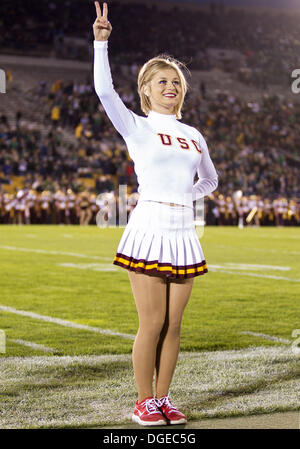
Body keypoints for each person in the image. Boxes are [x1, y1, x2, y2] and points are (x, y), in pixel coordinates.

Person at [93, 2, 218, 427]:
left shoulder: (193, 134)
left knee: (174, 326)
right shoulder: (137, 125)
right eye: (162, 81)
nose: (171, 86)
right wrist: (100, 44)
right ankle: (143, 401)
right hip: (148, 228)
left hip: (184, 231)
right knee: (152, 322)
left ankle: (164, 398)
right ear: (146, 89)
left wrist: (185, 198)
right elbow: (105, 93)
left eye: (176, 82)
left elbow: (210, 181)